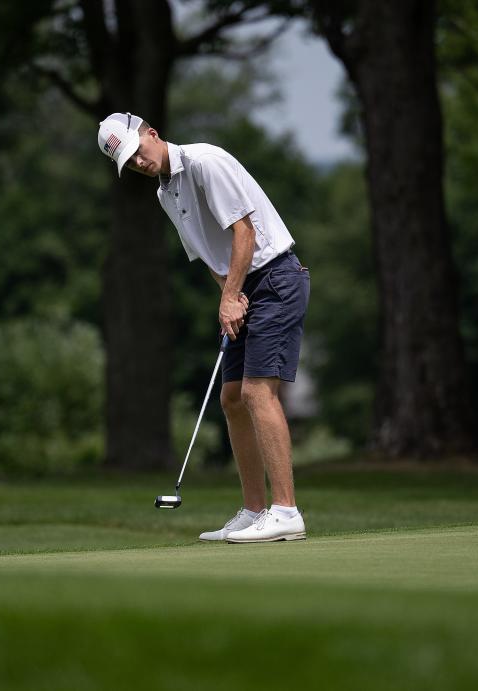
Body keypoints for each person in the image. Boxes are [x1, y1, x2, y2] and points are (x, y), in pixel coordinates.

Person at [96, 112, 310, 543]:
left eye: (138, 151)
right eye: (129, 163)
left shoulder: (204, 162)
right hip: (242, 286)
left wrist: (232, 297)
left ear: (152, 135)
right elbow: (212, 257)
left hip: (275, 278)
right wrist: (227, 296)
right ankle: (253, 512)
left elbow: (244, 233)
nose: (139, 162)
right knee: (232, 398)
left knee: (256, 391)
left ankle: (286, 511)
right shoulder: (164, 194)